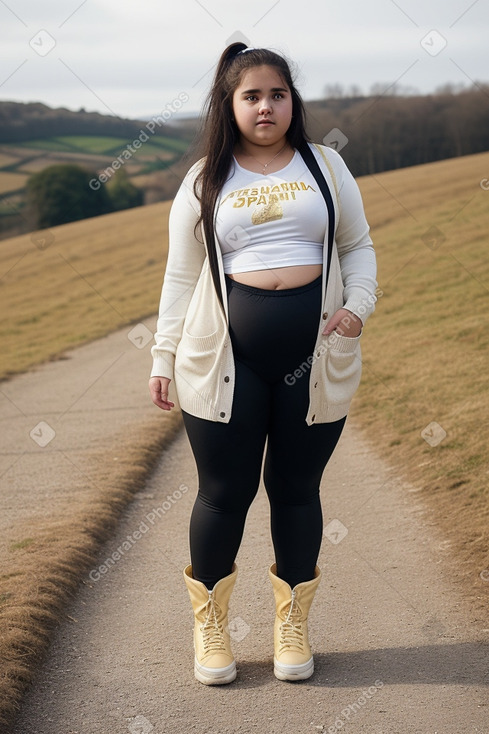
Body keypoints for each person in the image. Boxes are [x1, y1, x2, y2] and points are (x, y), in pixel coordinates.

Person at [149, 42, 377, 686]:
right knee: (225, 495)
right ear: (229, 104)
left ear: (292, 100)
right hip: (226, 361)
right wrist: (162, 355)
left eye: (277, 93)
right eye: (251, 95)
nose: (266, 106)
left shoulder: (326, 167)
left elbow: (358, 246)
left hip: (316, 359)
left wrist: (358, 307)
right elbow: (179, 276)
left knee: (297, 491)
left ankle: (291, 624)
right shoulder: (203, 181)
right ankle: (211, 629)